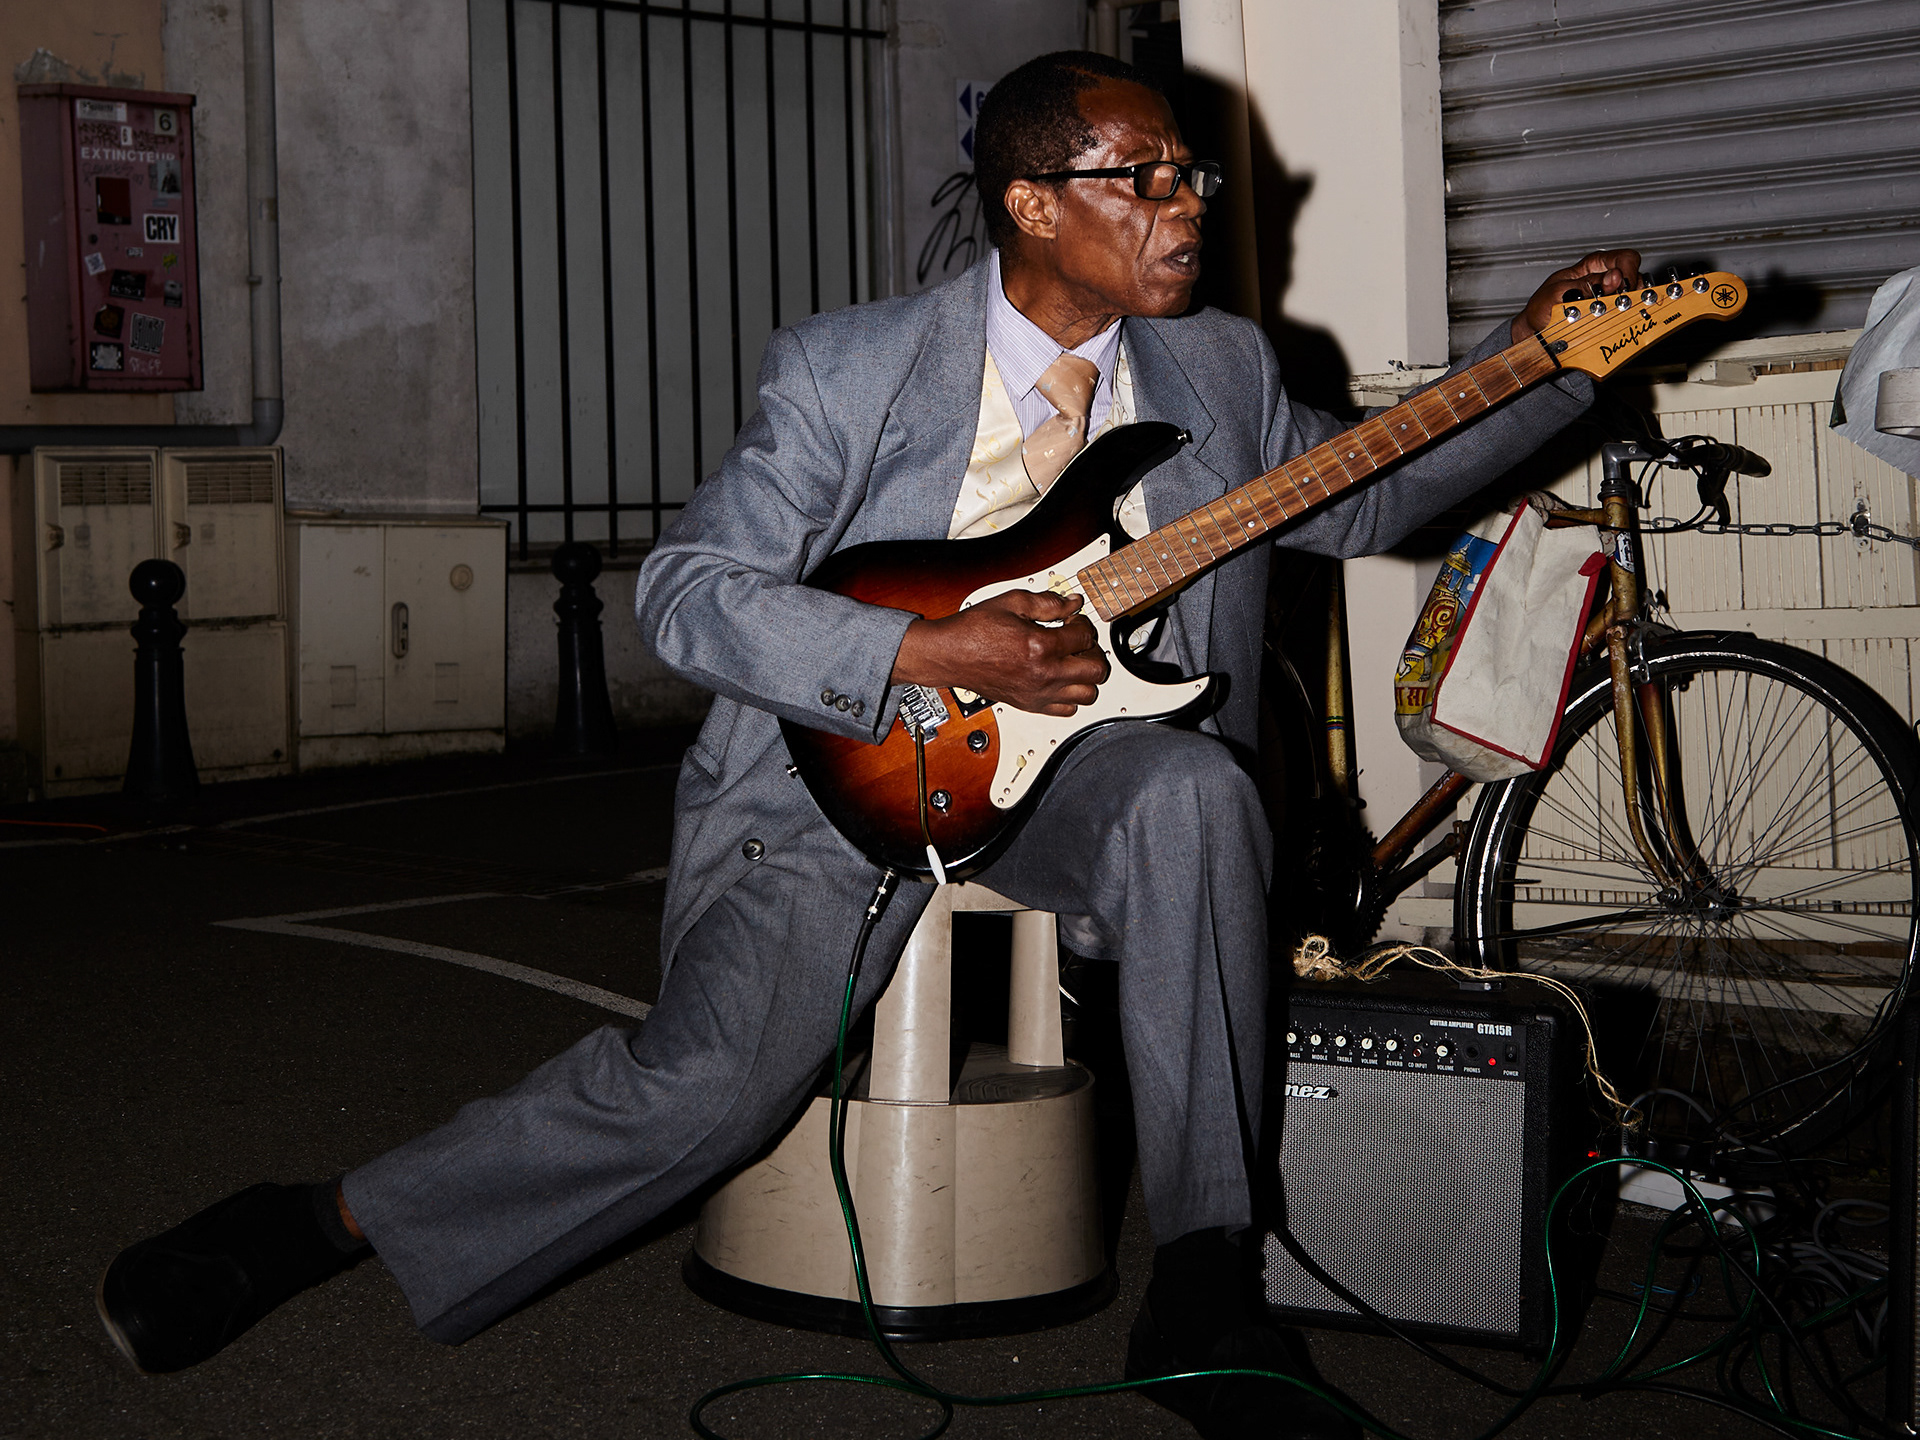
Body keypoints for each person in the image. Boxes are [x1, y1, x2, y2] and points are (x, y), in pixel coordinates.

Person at [96, 50, 1641, 1440]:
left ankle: (1206, 1292)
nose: (1186, 204)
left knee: (1194, 796)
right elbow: (689, 592)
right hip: (846, 772)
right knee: (704, 1095)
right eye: (1144, 176)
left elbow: (1368, 497)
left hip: (1087, 770)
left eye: (1192, 177)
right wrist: (926, 649)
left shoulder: (1221, 372)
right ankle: (315, 1224)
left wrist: (1545, 361)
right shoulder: (851, 368)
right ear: (1034, 204)